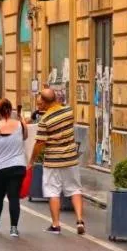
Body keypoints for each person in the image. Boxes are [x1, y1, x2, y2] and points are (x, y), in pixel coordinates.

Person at [29, 88, 85, 235]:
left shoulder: (45, 120)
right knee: (75, 189)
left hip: (53, 161)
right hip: (71, 159)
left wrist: (32, 160)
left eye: (40, 103)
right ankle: (79, 220)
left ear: (46, 103)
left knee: (53, 192)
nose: (39, 106)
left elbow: (39, 143)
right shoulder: (69, 111)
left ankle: (55, 225)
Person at [0, 98, 28, 237]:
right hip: (17, 166)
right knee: (14, 197)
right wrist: (21, 119)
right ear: (11, 109)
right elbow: (25, 137)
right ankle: (14, 228)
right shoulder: (21, 125)